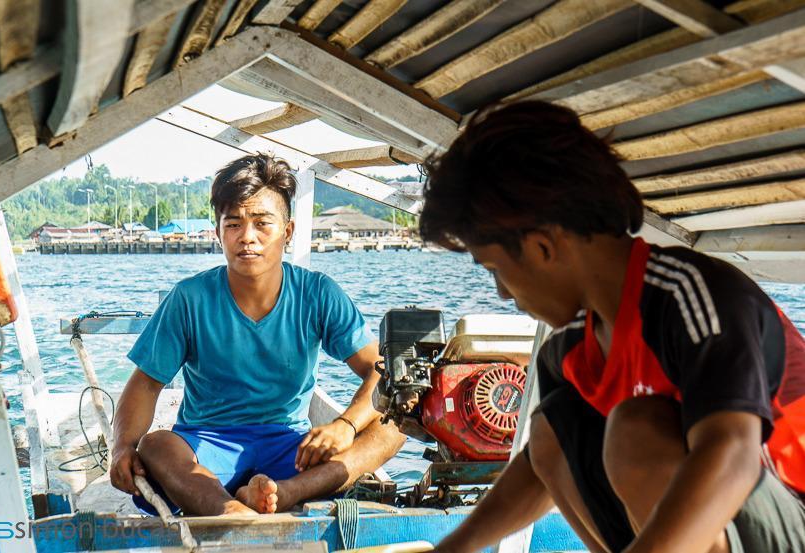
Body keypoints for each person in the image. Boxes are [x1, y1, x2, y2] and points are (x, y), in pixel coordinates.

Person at [418, 101, 805, 553]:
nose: (502, 293)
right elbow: (539, 469)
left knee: (634, 429)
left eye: (495, 269)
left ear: (543, 247)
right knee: (549, 435)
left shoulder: (692, 297)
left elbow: (733, 454)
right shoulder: (568, 348)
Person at [109, 154, 405, 516]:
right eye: (233, 224)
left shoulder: (317, 293)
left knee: (393, 428)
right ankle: (231, 510)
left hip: (291, 450)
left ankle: (287, 493)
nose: (247, 237)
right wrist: (122, 446)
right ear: (218, 232)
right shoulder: (189, 298)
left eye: (262, 223)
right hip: (207, 446)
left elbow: (380, 370)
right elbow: (146, 383)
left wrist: (345, 425)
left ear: (288, 232)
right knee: (155, 445)